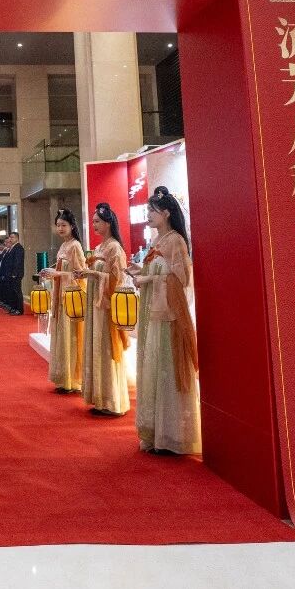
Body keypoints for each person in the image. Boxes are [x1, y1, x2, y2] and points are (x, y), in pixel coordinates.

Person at [134, 186, 201, 454]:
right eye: (148, 210)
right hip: (154, 313)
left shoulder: (175, 241)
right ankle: (156, 431)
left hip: (169, 316)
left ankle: (173, 435)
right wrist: (141, 272)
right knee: (155, 369)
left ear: (166, 213)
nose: (148, 215)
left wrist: (149, 278)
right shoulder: (157, 241)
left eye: (153, 210)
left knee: (167, 370)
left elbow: (181, 280)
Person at [77, 203, 131, 418]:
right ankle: (100, 397)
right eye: (93, 221)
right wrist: (87, 273)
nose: (94, 225)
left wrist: (94, 273)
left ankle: (112, 400)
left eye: (97, 221)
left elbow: (118, 279)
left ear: (108, 223)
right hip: (95, 305)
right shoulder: (100, 247)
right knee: (96, 347)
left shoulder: (114, 248)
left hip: (105, 306)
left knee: (106, 349)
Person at [38, 209, 86, 394]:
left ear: (72, 226)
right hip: (60, 296)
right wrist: (52, 274)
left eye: (63, 225)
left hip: (70, 298)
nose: (60, 228)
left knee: (71, 337)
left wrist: (57, 274)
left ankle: (73, 380)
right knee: (62, 336)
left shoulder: (75, 246)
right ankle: (64, 378)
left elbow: (80, 274)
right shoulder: (64, 246)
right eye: (58, 225)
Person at [0, 231, 25, 315]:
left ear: (17, 238)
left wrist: (14, 273)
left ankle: (19, 310)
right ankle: (14, 308)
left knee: (17, 291)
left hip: (16, 274)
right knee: (12, 292)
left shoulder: (19, 248)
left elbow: (17, 262)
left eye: (12, 237)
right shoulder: (13, 247)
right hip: (10, 274)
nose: (10, 239)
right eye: (10, 237)